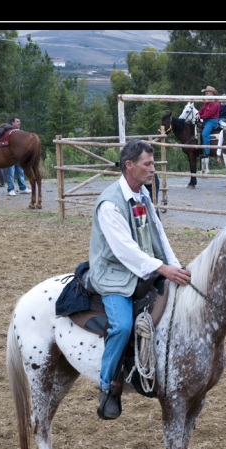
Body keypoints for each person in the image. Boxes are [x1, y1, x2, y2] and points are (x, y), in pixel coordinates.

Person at [87, 140, 191, 420]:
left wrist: (176, 267)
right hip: (114, 274)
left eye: (153, 164)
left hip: (144, 268)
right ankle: (107, 386)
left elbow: (159, 234)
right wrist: (163, 270)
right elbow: (125, 252)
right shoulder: (110, 204)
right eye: (148, 164)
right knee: (121, 326)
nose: (152, 169)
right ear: (129, 166)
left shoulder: (143, 194)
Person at [5, 116, 31, 196]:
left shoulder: (20, 132)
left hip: (19, 156)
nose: (19, 122)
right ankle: (10, 189)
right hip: (11, 156)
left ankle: (22, 188)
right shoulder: (9, 133)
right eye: (17, 121)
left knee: (20, 171)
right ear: (12, 123)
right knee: (11, 173)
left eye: (19, 121)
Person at [196, 86, 220, 156]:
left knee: (204, 133)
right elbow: (202, 110)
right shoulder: (207, 102)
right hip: (206, 120)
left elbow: (209, 114)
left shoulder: (215, 103)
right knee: (197, 131)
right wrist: (197, 114)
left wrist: (200, 116)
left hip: (212, 121)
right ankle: (200, 148)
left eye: (207, 93)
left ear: (212, 94)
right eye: (206, 94)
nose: (206, 95)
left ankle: (207, 152)